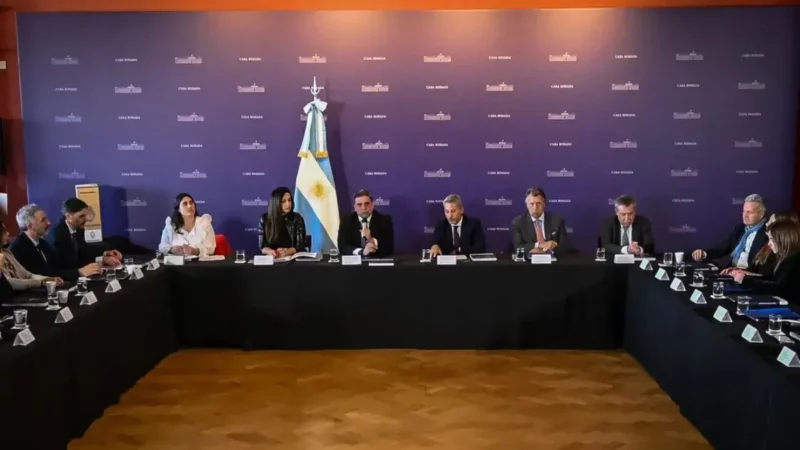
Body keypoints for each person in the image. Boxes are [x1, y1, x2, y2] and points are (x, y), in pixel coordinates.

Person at [10, 204, 100, 282]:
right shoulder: (18, 248)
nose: (49, 223)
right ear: (30, 225)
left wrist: (93, 265)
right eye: (43, 220)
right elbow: (43, 274)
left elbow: (60, 265)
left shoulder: (42, 243)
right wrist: (79, 272)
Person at [691, 193, 767, 269]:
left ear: (761, 214)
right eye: (744, 211)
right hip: (732, 271)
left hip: (751, 273)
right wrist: (704, 254)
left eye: (749, 212)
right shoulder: (739, 229)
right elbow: (721, 249)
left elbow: (764, 266)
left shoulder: (767, 233)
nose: (745, 215)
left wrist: (745, 273)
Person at [45, 198, 123, 269]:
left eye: (86, 215)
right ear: (68, 216)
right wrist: (101, 260)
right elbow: (72, 263)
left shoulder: (78, 228)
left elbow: (84, 250)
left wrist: (106, 253)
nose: (86, 219)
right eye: (81, 216)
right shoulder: (59, 235)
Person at [733, 220, 800, 303]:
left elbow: (779, 288)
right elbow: (770, 279)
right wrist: (745, 276)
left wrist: (746, 280)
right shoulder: (783, 257)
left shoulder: (795, 259)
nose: (769, 244)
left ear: (783, 239)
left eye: (772, 239)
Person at [723, 212, 799, 278]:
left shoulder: (787, 255)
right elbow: (760, 274)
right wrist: (739, 271)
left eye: (771, 222)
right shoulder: (767, 245)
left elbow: (773, 281)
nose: (766, 223)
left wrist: (746, 278)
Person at [0, 220, 64, 290]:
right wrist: (41, 282)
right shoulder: (16, 246)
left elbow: (27, 275)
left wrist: (48, 279)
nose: (8, 233)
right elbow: (8, 283)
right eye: (4, 232)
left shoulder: (6, 252)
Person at [511, 187, 569, 255]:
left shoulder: (557, 220)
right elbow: (518, 247)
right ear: (527, 205)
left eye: (538, 203)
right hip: (529, 260)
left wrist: (554, 245)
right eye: (532, 204)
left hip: (552, 259)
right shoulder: (519, 222)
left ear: (544, 204)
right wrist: (538, 245)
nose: (535, 207)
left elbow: (564, 245)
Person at [337, 189, 394, 257]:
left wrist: (372, 240)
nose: (363, 208)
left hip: (376, 260)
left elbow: (389, 247)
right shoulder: (347, 221)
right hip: (354, 262)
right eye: (359, 204)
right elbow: (342, 247)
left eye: (367, 204)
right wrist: (362, 252)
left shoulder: (384, 220)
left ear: (372, 205)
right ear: (354, 207)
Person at [258, 187, 308, 257]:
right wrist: (270, 251)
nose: (288, 204)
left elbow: (300, 246)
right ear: (276, 202)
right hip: (273, 259)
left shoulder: (297, 218)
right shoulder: (265, 219)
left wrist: (287, 251)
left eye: (289, 200)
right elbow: (262, 247)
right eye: (283, 201)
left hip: (292, 258)